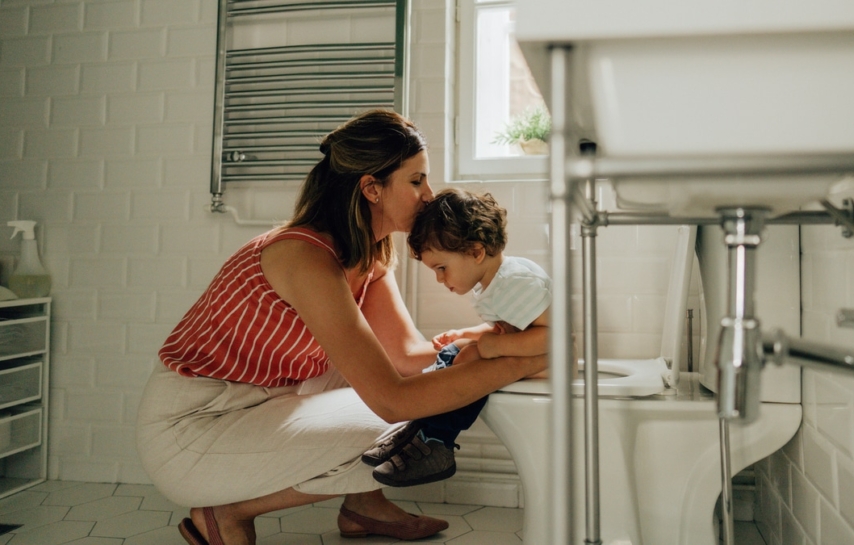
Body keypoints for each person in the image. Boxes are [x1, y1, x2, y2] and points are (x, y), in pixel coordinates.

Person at [135, 110, 548, 545]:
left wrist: (504, 339)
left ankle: (363, 506)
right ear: (371, 187)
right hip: (194, 427)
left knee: (426, 385)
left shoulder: (369, 255)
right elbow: (393, 401)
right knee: (410, 418)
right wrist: (519, 361)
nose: (429, 195)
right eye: (415, 181)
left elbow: (406, 356)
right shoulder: (305, 257)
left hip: (262, 405)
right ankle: (228, 511)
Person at [360, 188, 551, 488]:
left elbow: (555, 338)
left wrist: (496, 345)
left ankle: (437, 442)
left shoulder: (515, 282)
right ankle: (421, 427)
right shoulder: (496, 281)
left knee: (469, 358)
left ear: (476, 252)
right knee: (451, 352)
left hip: (550, 362)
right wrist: (468, 334)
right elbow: (511, 326)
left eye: (441, 268)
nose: (439, 278)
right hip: (527, 354)